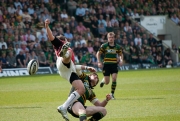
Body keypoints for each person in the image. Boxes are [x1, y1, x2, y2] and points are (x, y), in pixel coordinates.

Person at [45, 19, 94, 121]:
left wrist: (86, 67)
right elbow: (52, 38)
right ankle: (65, 54)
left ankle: (63, 107)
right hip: (63, 63)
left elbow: (73, 67)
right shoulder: (61, 43)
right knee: (69, 51)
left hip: (67, 70)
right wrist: (47, 27)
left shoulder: (61, 46)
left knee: (81, 89)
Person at [96, 32, 123, 99]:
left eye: (112, 37)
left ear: (114, 38)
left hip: (114, 65)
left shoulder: (118, 47)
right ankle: (103, 80)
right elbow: (98, 53)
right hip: (106, 65)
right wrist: (99, 62)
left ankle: (112, 94)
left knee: (114, 78)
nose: (111, 39)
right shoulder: (104, 46)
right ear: (107, 38)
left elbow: (121, 54)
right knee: (107, 82)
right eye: (109, 37)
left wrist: (121, 60)